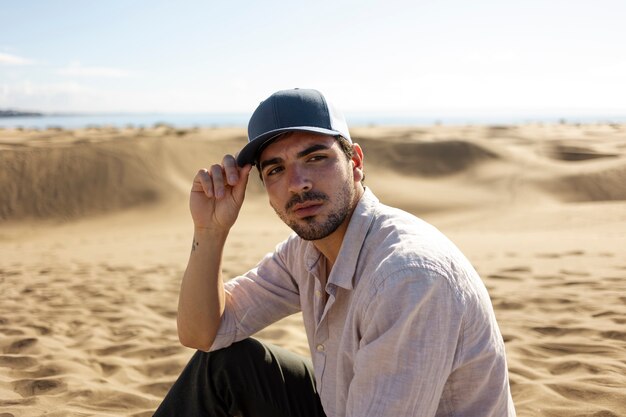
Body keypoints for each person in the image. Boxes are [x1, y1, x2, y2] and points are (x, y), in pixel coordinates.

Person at [154, 88, 516, 417]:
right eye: (276, 169)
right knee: (224, 367)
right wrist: (210, 231)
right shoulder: (306, 252)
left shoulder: (408, 276)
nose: (298, 183)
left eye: (315, 158)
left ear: (355, 163)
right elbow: (203, 333)